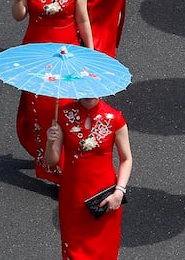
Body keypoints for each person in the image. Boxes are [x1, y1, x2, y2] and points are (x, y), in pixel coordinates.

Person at [11, 0, 94, 183]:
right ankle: (49, 165)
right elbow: (19, 16)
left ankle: (63, 169)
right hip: (35, 52)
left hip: (67, 51)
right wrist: (18, 0)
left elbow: (83, 20)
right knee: (41, 109)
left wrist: (90, 53)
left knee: (65, 109)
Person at [45, 97, 132, 259]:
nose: (90, 95)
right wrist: (50, 143)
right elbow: (52, 160)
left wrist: (119, 191)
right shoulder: (63, 115)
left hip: (105, 196)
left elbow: (126, 159)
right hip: (73, 195)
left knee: (104, 250)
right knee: (74, 249)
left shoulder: (115, 118)